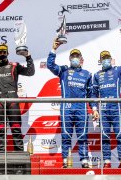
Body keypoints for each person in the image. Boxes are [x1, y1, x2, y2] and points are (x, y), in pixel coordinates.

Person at [47, 39, 98, 168]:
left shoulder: (87, 74)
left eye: (77, 56)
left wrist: (95, 108)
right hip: (67, 108)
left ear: (81, 59)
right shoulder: (63, 71)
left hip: (81, 108)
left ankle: (84, 160)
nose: (75, 58)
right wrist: (54, 49)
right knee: (66, 136)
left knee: (82, 136)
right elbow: (50, 65)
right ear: (70, 59)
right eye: (73, 56)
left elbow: (91, 94)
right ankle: (66, 160)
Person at [92, 42, 121, 168]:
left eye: (107, 58)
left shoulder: (117, 71)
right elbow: (94, 94)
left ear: (111, 60)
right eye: (103, 58)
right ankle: (107, 162)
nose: (106, 60)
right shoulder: (97, 75)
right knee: (105, 137)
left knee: (120, 135)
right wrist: (94, 109)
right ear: (100, 61)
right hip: (104, 111)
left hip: (117, 110)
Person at [0, 44, 35, 152]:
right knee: (1, 129)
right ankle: (1, 152)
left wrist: (28, 57)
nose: (2, 54)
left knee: (16, 127)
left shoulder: (14, 66)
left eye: (4, 52)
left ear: (7, 53)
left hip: (12, 101)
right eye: (0, 52)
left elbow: (30, 72)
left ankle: (19, 152)